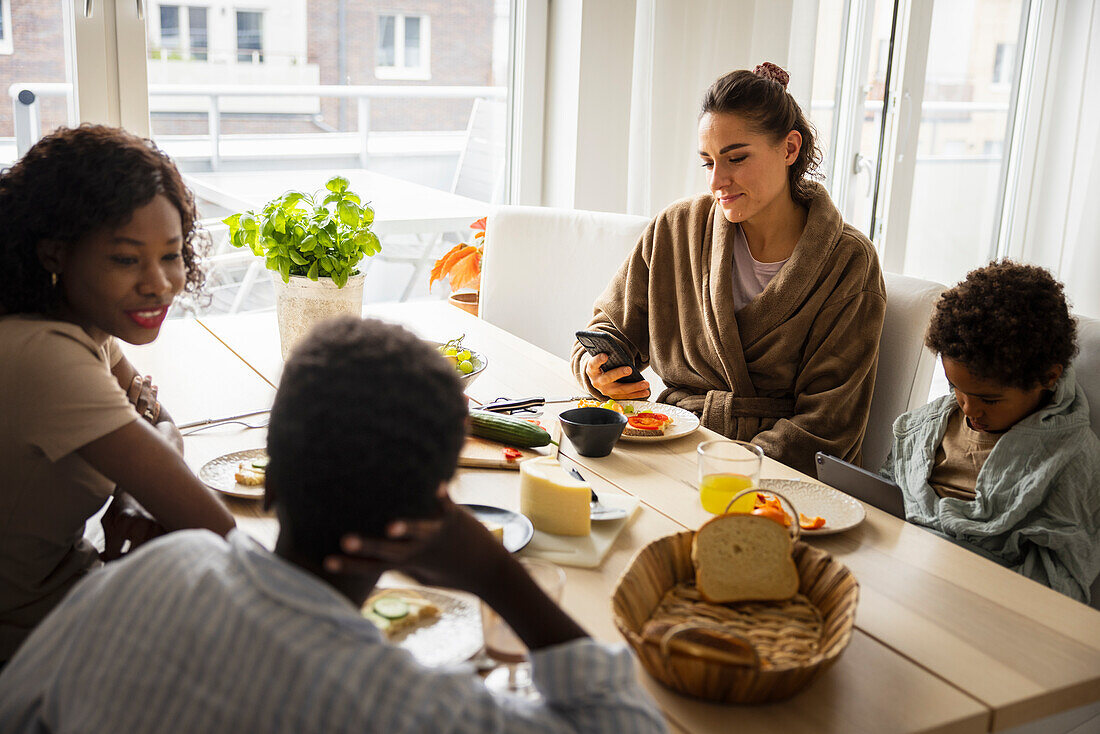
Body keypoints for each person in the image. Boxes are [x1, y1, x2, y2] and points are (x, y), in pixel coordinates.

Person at [0, 317, 669, 734]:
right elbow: (626, 722)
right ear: (432, 509)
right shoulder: (405, 706)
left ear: (269, 474)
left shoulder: (150, 574)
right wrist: (498, 576)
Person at [571, 63, 885, 475]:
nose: (718, 180)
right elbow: (608, 331)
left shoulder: (847, 262)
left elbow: (828, 426)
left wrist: (725, 466)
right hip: (668, 441)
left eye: (736, 158)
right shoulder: (676, 228)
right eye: (708, 162)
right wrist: (598, 369)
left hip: (777, 473)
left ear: (790, 149)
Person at [0, 125, 236, 664]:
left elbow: (162, 424)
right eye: (127, 260)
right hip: (30, 654)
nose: (159, 283)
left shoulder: (84, 332)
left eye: (171, 255)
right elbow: (216, 528)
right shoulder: (44, 355)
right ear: (55, 253)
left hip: (78, 601)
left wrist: (136, 490)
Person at [882, 261, 1100, 603]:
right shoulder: (928, 426)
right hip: (896, 572)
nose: (968, 409)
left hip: (977, 599)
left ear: (1048, 377)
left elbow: (1062, 581)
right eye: (956, 388)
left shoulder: (1069, 456)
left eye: (990, 400)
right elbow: (884, 494)